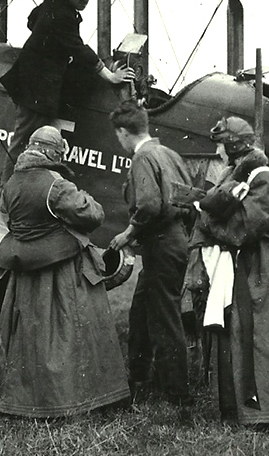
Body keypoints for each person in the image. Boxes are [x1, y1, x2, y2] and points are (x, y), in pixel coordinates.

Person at [0, 125, 130, 417]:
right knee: (70, 332)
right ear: (54, 153)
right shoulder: (56, 184)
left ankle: (24, 401)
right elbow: (93, 215)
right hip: (61, 269)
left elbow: (7, 219)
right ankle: (71, 400)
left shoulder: (11, 183)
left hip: (25, 273)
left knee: (30, 336)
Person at [188, 116, 269, 425]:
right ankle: (242, 408)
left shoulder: (262, 177)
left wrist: (204, 217)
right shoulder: (239, 174)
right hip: (243, 265)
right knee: (242, 331)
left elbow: (243, 227)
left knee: (261, 333)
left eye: (220, 145)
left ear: (232, 146)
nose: (218, 152)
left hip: (260, 266)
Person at [0, 0, 135, 204]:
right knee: (22, 141)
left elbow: (31, 20)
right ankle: (2, 200)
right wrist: (110, 76)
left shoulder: (54, 4)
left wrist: (50, 45)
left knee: (25, 139)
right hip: (37, 87)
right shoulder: (64, 16)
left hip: (30, 81)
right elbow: (78, 48)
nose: (85, 2)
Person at [107, 101, 192, 406]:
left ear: (123, 132)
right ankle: (138, 378)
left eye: (117, 135)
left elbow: (149, 205)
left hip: (161, 245)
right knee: (140, 312)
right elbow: (190, 196)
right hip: (177, 242)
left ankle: (178, 396)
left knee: (165, 321)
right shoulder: (170, 154)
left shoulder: (142, 158)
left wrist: (128, 233)